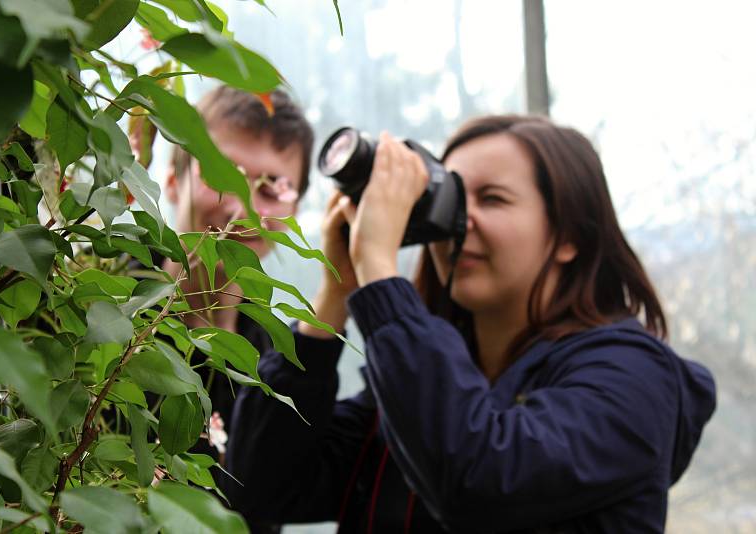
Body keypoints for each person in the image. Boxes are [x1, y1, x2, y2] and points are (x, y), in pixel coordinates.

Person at [223, 115, 717, 533]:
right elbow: (258, 490)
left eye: (494, 199)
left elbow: (476, 479)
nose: (460, 222)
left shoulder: (631, 380)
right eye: (455, 199)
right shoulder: (425, 380)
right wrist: (335, 296)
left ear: (570, 235)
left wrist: (381, 270)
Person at [161, 85, 313, 534]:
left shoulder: (273, 363)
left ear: (296, 209)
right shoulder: (95, 306)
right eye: (221, 175)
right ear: (173, 180)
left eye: (273, 188)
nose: (244, 209)